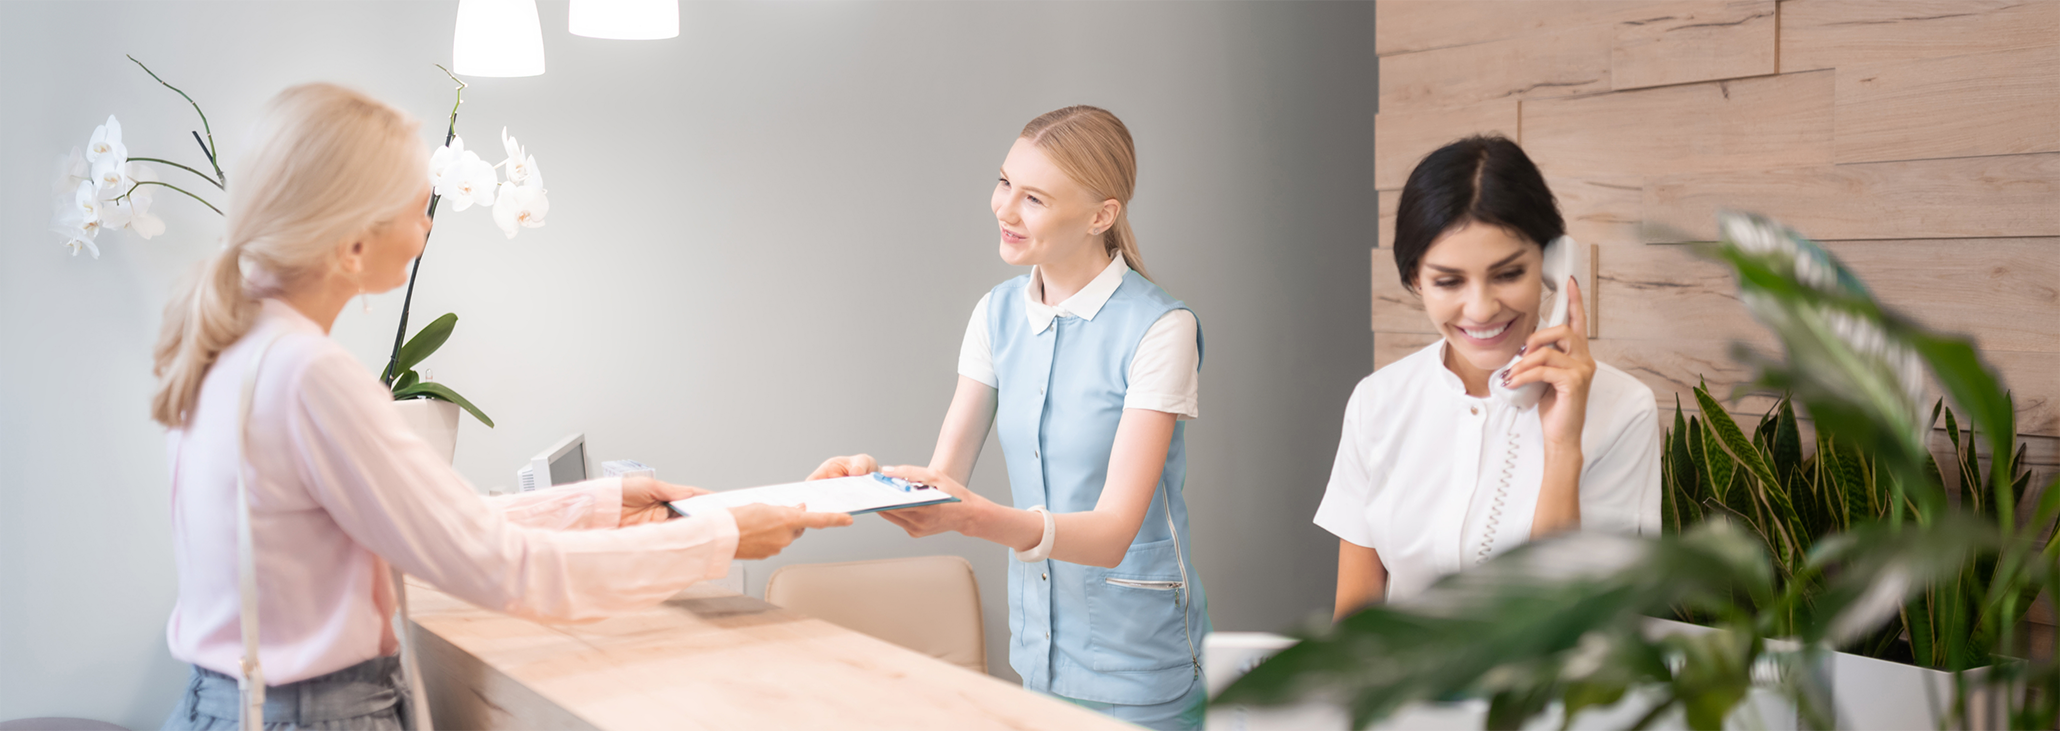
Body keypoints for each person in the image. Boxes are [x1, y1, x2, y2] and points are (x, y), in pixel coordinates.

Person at [152, 83, 852, 731]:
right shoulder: (311, 376)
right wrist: (720, 536)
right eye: (415, 206)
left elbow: (422, 523)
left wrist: (601, 505)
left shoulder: (242, 352)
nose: (427, 226)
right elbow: (509, 569)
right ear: (352, 242)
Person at [813, 106, 1207, 730]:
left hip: (1137, 665)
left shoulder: (1160, 329)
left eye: (1034, 198)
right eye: (1004, 183)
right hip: (1038, 657)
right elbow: (945, 476)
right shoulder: (996, 315)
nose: (1004, 209)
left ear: (1101, 215)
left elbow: (1110, 533)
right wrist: (873, 483)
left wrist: (973, 518)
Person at [1315, 135, 1660, 618]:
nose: (1480, 309)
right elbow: (1353, 623)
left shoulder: (1623, 409)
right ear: (1416, 278)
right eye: (1448, 281)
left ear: (1552, 263)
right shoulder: (1378, 401)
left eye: (1507, 274)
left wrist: (1562, 449)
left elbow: (1573, 624)